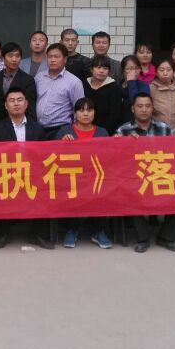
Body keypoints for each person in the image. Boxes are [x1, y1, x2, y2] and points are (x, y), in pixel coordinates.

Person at [115, 93, 175, 253]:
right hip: (136, 178)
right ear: (133, 109)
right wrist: (120, 142)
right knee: (131, 194)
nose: (144, 110)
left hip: (161, 176)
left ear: (153, 108)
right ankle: (143, 239)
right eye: (140, 106)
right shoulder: (123, 130)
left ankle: (165, 237)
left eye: (147, 106)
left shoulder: (164, 128)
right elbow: (116, 160)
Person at [0, 88, 48, 249]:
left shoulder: (38, 128)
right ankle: (3, 233)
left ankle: (38, 234)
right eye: (12, 101)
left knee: (45, 188)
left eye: (19, 100)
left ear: (26, 104)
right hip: (6, 174)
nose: (16, 104)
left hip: (33, 174)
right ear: (6, 106)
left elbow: (43, 156)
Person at [56, 98, 113, 250]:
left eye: (89, 110)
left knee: (101, 189)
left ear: (94, 113)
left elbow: (108, 158)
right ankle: (71, 229)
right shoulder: (65, 131)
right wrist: (62, 143)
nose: (86, 114)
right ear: (75, 114)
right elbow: (55, 157)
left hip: (95, 176)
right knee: (71, 191)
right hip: (72, 178)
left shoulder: (102, 132)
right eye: (81, 110)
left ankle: (99, 231)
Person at [35, 43, 85, 138]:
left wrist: (73, 132)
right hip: (38, 129)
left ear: (65, 59)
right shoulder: (39, 77)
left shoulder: (74, 82)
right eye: (50, 57)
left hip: (61, 130)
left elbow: (79, 109)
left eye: (56, 57)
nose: (52, 60)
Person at [0, 42, 38, 121]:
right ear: (3, 58)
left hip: (18, 122)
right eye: (10, 56)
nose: (14, 59)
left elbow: (30, 108)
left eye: (17, 56)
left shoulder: (28, 80)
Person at [83, 55, 124, 135]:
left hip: (105, 131)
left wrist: (103, 131)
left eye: (105, 68)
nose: (101, 71)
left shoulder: (114, 87)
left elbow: (115, 114)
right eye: (98, 67)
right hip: (85, 128)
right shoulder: (85, 84)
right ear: (91, 69)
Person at [150, 58, 175, 134]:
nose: (165, 73)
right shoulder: (151, 88)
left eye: (168, 70)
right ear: (156, 73)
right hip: (157, 131)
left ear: (173, 72)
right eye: (161, 70)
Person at [118, 55, 150, 125]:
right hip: (119, 126)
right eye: (130, 69)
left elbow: (135, 102)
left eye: (137, 68)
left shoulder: (143, 86)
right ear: (123, 70)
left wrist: (131, 82)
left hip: (137, 125)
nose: (134, 72)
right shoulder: (117, 86)